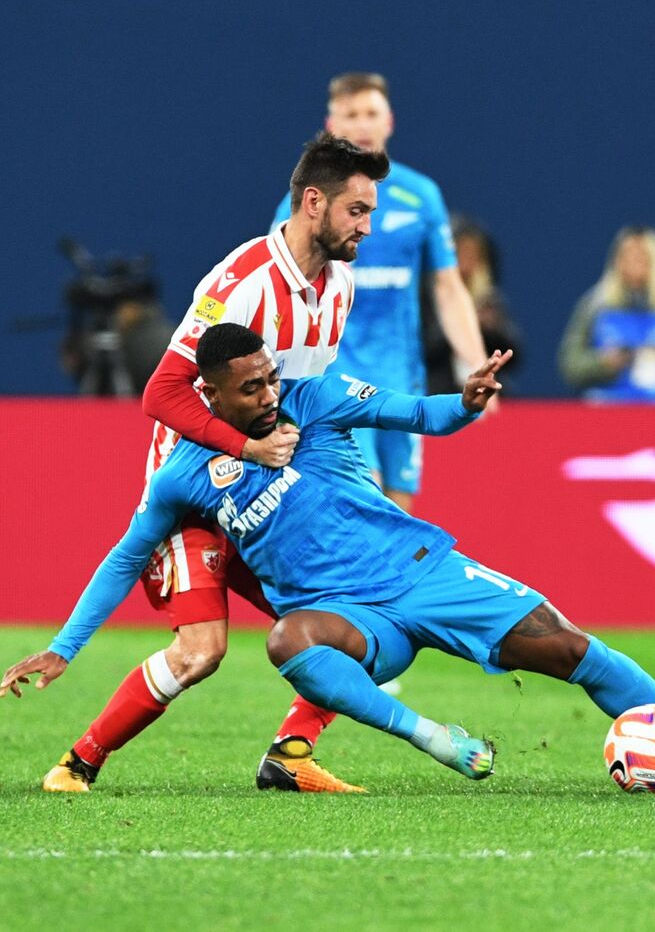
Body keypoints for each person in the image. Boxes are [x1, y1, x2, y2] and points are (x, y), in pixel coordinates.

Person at [2, 324, 655, 794]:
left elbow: (416, 413)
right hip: (348, 620)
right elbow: (123, 555)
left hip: (422, 572)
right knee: (286, 642)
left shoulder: (315, 397)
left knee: (574, 649)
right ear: (209, 394)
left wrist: (466, 402)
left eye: (272, 376)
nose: (270, 393)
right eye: (250, 387)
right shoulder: (185, 477)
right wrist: (66, 647)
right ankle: (429, 735)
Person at [27, 132, 390, 796]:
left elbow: (305, 402)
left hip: (267, 488)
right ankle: (77, 762)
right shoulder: (243, 282)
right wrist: (246, 448)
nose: (368, 226)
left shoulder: (340, 286)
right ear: (314, 202)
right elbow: (161, 392)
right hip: (199, 486)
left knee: (358, 615)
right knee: (203, 650)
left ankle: (292, 752)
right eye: (357, 211)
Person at [271, 72, 487, 515]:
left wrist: (474, 362)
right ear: (332, 126)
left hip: (401, 379)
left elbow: (448, 288)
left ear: (389, 121)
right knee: (361, 504)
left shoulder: (420, 195)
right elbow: (277, 287)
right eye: (351, 115)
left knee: (400, 511)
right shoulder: (307, 201)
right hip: (333, 380)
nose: (362, 125)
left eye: (371, 113)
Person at [559, 226, 655, 402]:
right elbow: (570, 363)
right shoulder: (595, 305)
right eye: (627, 256)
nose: (633, 262)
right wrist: (603, 363)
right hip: (605, 410)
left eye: (641, 256)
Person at [422, 214, 522, 395]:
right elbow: (423, 349)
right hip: (439, 394)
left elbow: (514, 355)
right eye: (462, 253)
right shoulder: (429, 296)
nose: (468, 261)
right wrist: (459, 325)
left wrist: (489, 329)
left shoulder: (490, 298)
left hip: (485, 396)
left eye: (474, 254)